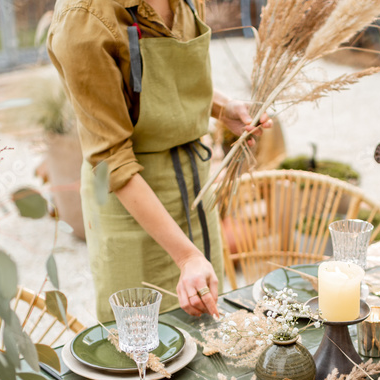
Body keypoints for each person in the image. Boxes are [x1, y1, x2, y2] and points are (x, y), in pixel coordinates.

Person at [47, 0, 270, 321]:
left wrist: (223, 107)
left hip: (195, 190)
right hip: (131, 206)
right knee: (147, 348)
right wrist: (186, 256)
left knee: (207, 337)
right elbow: (111, 160)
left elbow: (171, 83)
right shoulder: (82, 19)